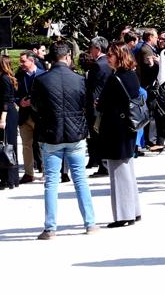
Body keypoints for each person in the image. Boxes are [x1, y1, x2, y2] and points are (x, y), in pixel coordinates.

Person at [31, 42, 98, 239]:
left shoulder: (41, 80)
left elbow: (35, 106)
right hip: (75, 133)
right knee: (80, 180)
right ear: (67, 56)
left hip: (51, 134)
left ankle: (50, 227)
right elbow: (87, 106)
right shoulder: (78, 79)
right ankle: (90, 223)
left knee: (51, 182)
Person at [95, 44, 141, 227]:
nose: (108, 58)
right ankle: (134, 211)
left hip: (116, 130)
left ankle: (124, 215)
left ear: (120, 56)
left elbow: (103, 104)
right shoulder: (132, 75)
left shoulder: (115, 79)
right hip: (128, 128)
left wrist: (99, 103)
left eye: (111, 55)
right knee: (128, 171)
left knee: (118, 174)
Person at [84, 37, 113, 176]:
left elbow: (91, 87)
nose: (90, 51)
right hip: (106, 103)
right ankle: (103, 163)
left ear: (98, 49)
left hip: (96, 105)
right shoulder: (109, 62)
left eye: (91, 48)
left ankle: (103, 166)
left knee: (98, 137)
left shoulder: (98, 65)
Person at [0, 55, 21, 190]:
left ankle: (7, 179)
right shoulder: (8, 78)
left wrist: (2, 118)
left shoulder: (3, 79)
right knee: (10, 145)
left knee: (5, 146)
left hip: (6, 114)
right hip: (10, 112)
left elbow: (5, 100)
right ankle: (12, 179)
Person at [15, 51, 43, 183]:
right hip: (24, 116)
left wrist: (34, 102)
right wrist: (19, 101)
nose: (21, 64)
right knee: (26, 145)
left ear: (32, 61)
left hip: (39, 116)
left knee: (43, 145)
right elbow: (13, 93)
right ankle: (28, 173)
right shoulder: (18, 76)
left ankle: (45, 171)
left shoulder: (43, 75)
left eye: (23, 61)